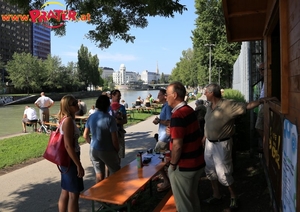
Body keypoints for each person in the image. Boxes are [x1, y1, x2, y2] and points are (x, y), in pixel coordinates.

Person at [202, 83, 276, 210]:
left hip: (222, 144)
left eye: (206, 92)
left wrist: (261, 101)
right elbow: (207, 123)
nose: (204, 94)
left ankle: (233, 196)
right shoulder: (209, 106)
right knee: (210, 171)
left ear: (212, 93)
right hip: (209, 144)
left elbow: (246, 106)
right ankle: (216, 195)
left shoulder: (228, 105)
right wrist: (205, 136)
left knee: (224, 173)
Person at [166, 81, 205, 212]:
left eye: (167, 94)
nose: (166, 97)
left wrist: (172, 165)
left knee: (183, 205)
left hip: (184, 166)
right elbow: (190, 132)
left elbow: (177, 146)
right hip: (197, 162)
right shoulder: (189, 110)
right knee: (193, 198)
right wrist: (173, 131)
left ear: (175, 95)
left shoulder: (177, 115)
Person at [57, 95, 85, 212]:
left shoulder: (67, 119)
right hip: (71, 159)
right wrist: (78, 164)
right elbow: (68, 146)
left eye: (76, 102)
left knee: (66, 191)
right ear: (67, 107)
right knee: (74, 194)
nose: (77, 104)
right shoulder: (68, 121)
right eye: (73, 103)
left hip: (68, 159)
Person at [83, 95, 120, 183]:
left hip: (94, 150)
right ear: (108, 105)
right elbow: (114, 139)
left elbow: (85, 135)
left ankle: (98, 194)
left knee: (99, 175)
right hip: (107, 150)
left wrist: (91, 143)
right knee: (117, 173)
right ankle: (116, 194)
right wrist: (117, 150)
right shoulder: (110, 119)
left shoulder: (91, 117)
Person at [152, 89, 172, 192]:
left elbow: (170, 122)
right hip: (163, 137)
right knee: (165, 161)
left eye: (159, 95)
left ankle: (167, 182)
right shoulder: (165, 106)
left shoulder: (167, 106)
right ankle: (170, 180)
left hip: (164, 139)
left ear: (165, 96)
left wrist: (159, 120)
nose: (157, 97)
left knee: (157, 161)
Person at [109, 89, 127, 163]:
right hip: (109, 134)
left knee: (119, 154)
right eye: (118, 96)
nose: (119, 98)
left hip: (119, 133)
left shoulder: (122, 107)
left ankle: (118, 170)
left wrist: (118, 121)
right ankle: (108, 174)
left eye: (120, 96)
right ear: (112, 96)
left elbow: (125, 120)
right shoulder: (107, 107)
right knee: (109, 155)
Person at [255, 63, 265, 150]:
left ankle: (265, 142)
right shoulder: (265, 80)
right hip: (261, 104)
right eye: (259, 70)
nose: (260, 72)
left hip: (264, 104)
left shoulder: (269, 79)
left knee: (258, 126)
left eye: (262, 69)